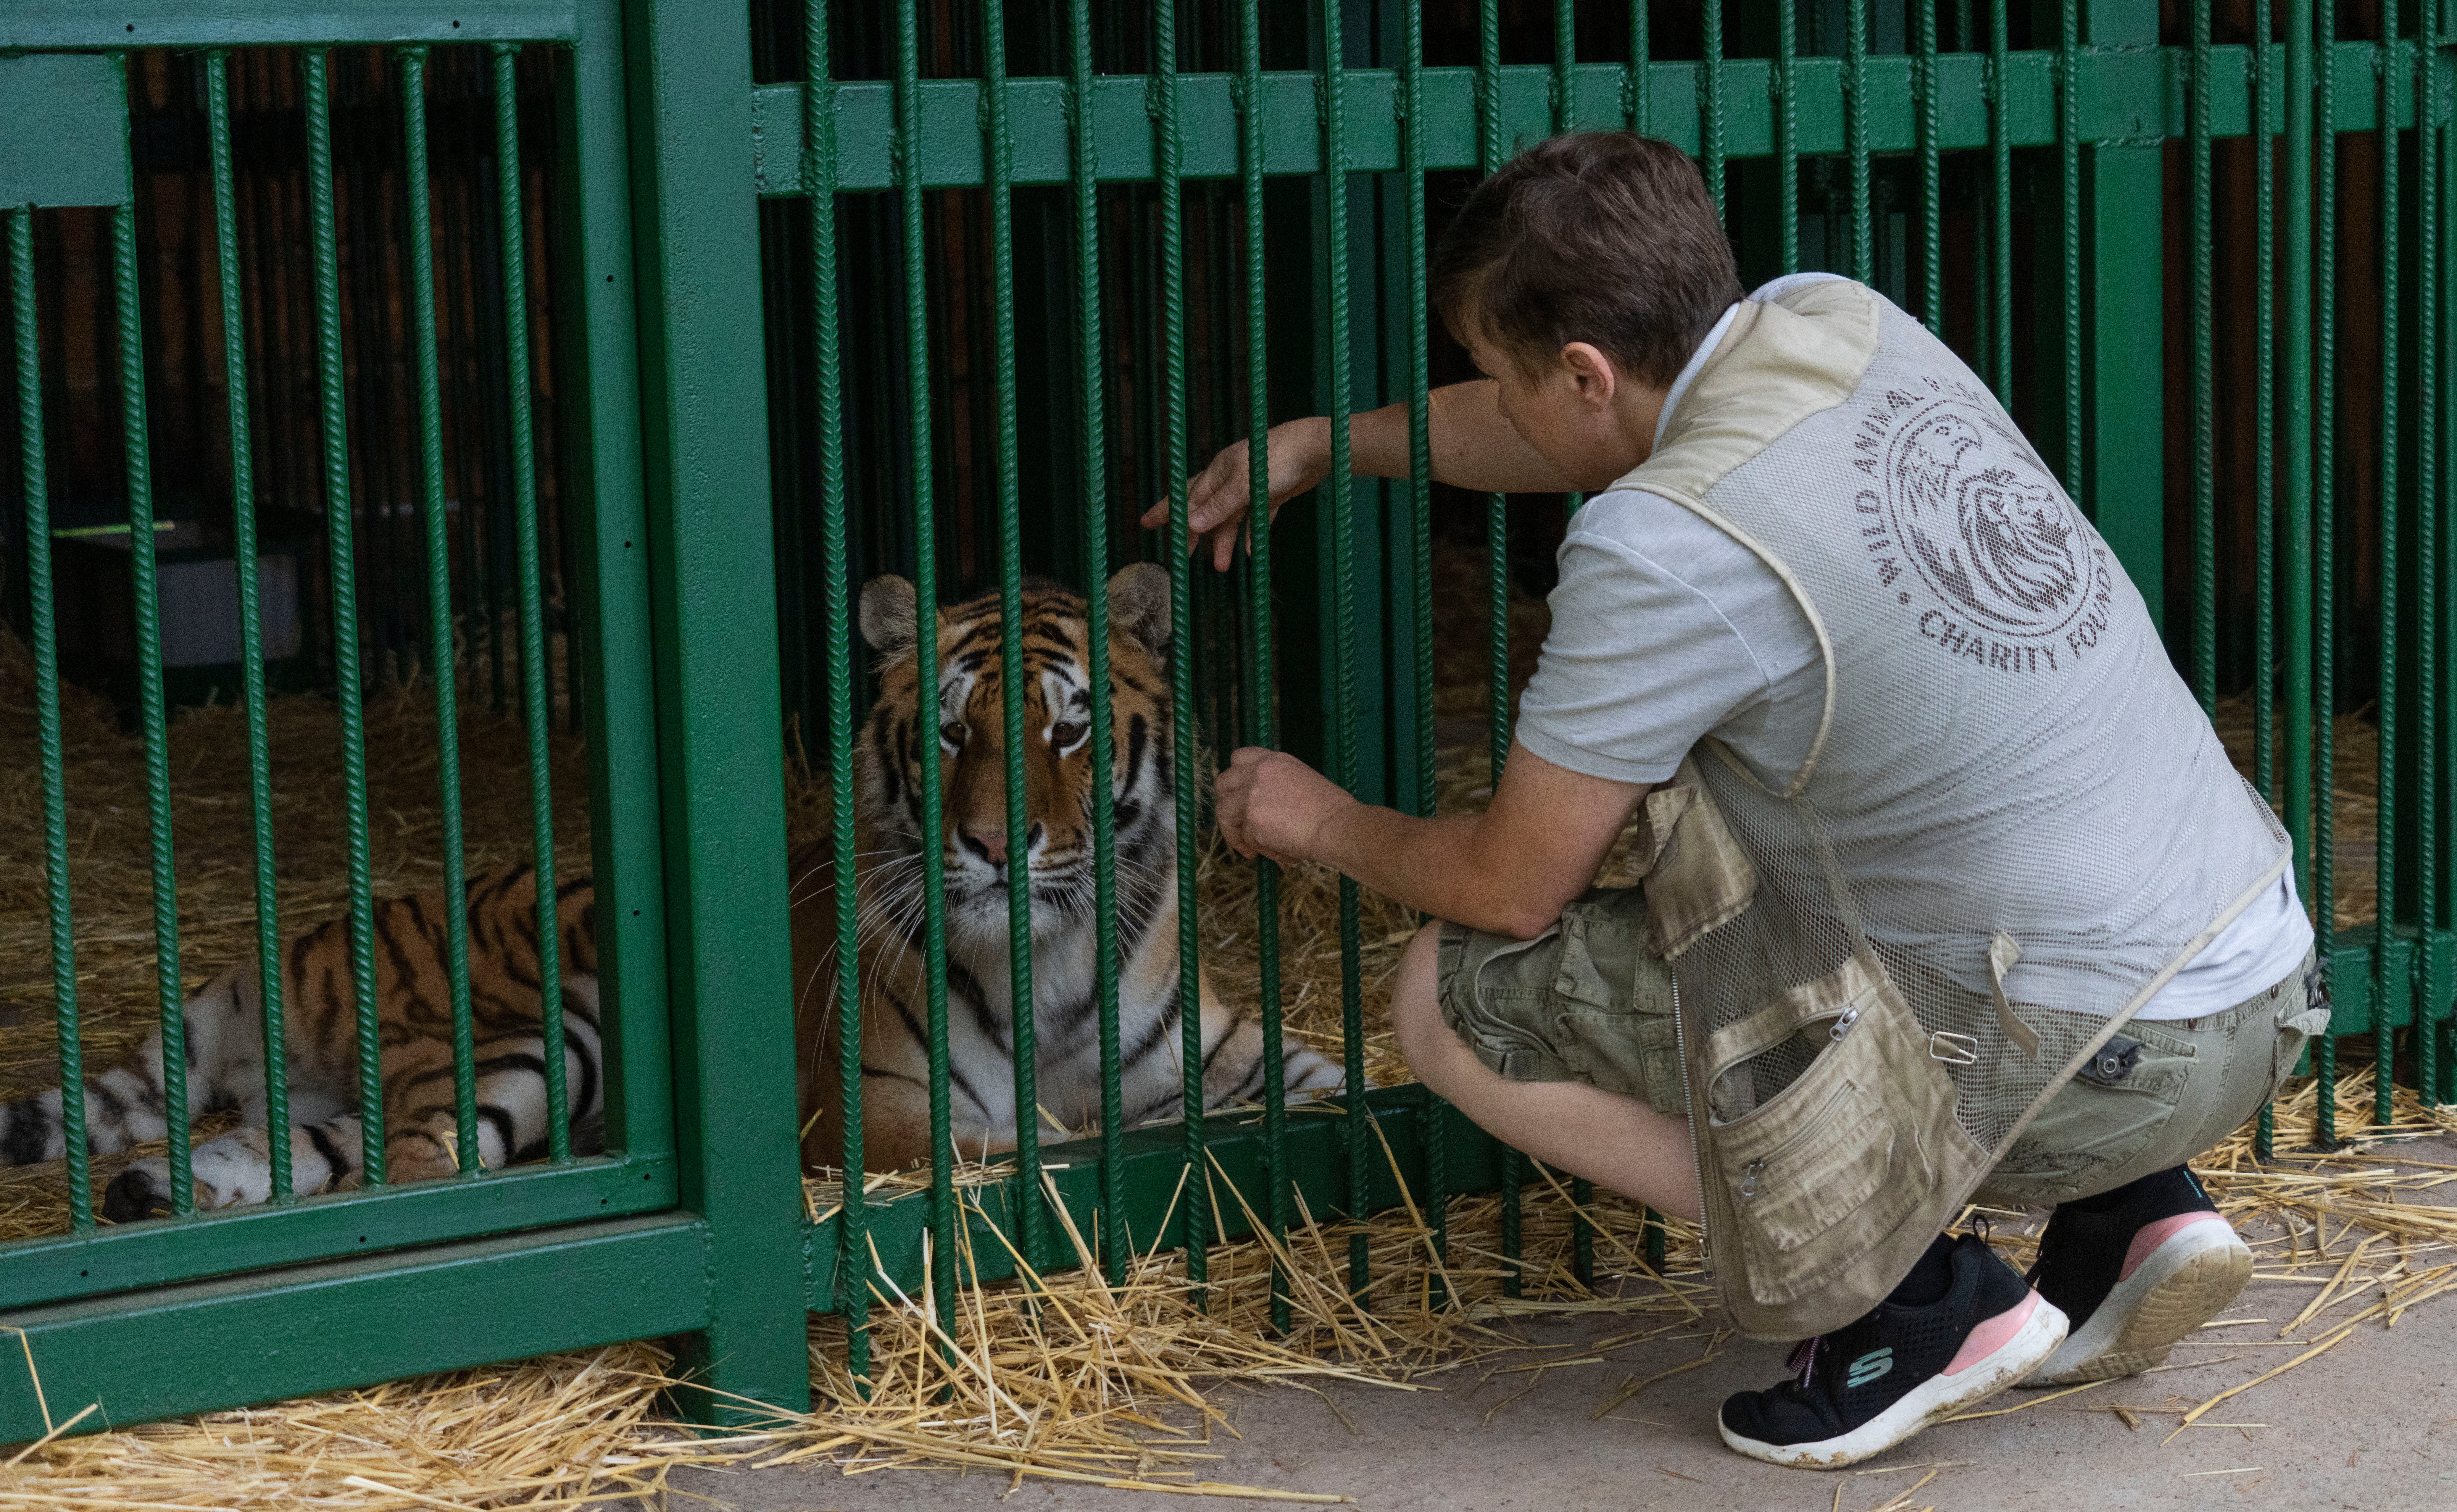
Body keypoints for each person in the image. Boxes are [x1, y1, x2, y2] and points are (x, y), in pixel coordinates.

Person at [1143, 133, 2325, 1469]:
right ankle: (2128, 1215)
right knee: (1866, 819)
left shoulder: (1662, 545)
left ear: (1583, 373)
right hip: (2251, 985)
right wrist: (1326, 445)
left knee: (1455, 994)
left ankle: (1910, 1303)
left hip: (2094, 1057)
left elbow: (1510, 886)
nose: (1495, 407)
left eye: (1499, 377)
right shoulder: (1839, 323)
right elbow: (1561, 426)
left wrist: (1317, 820)